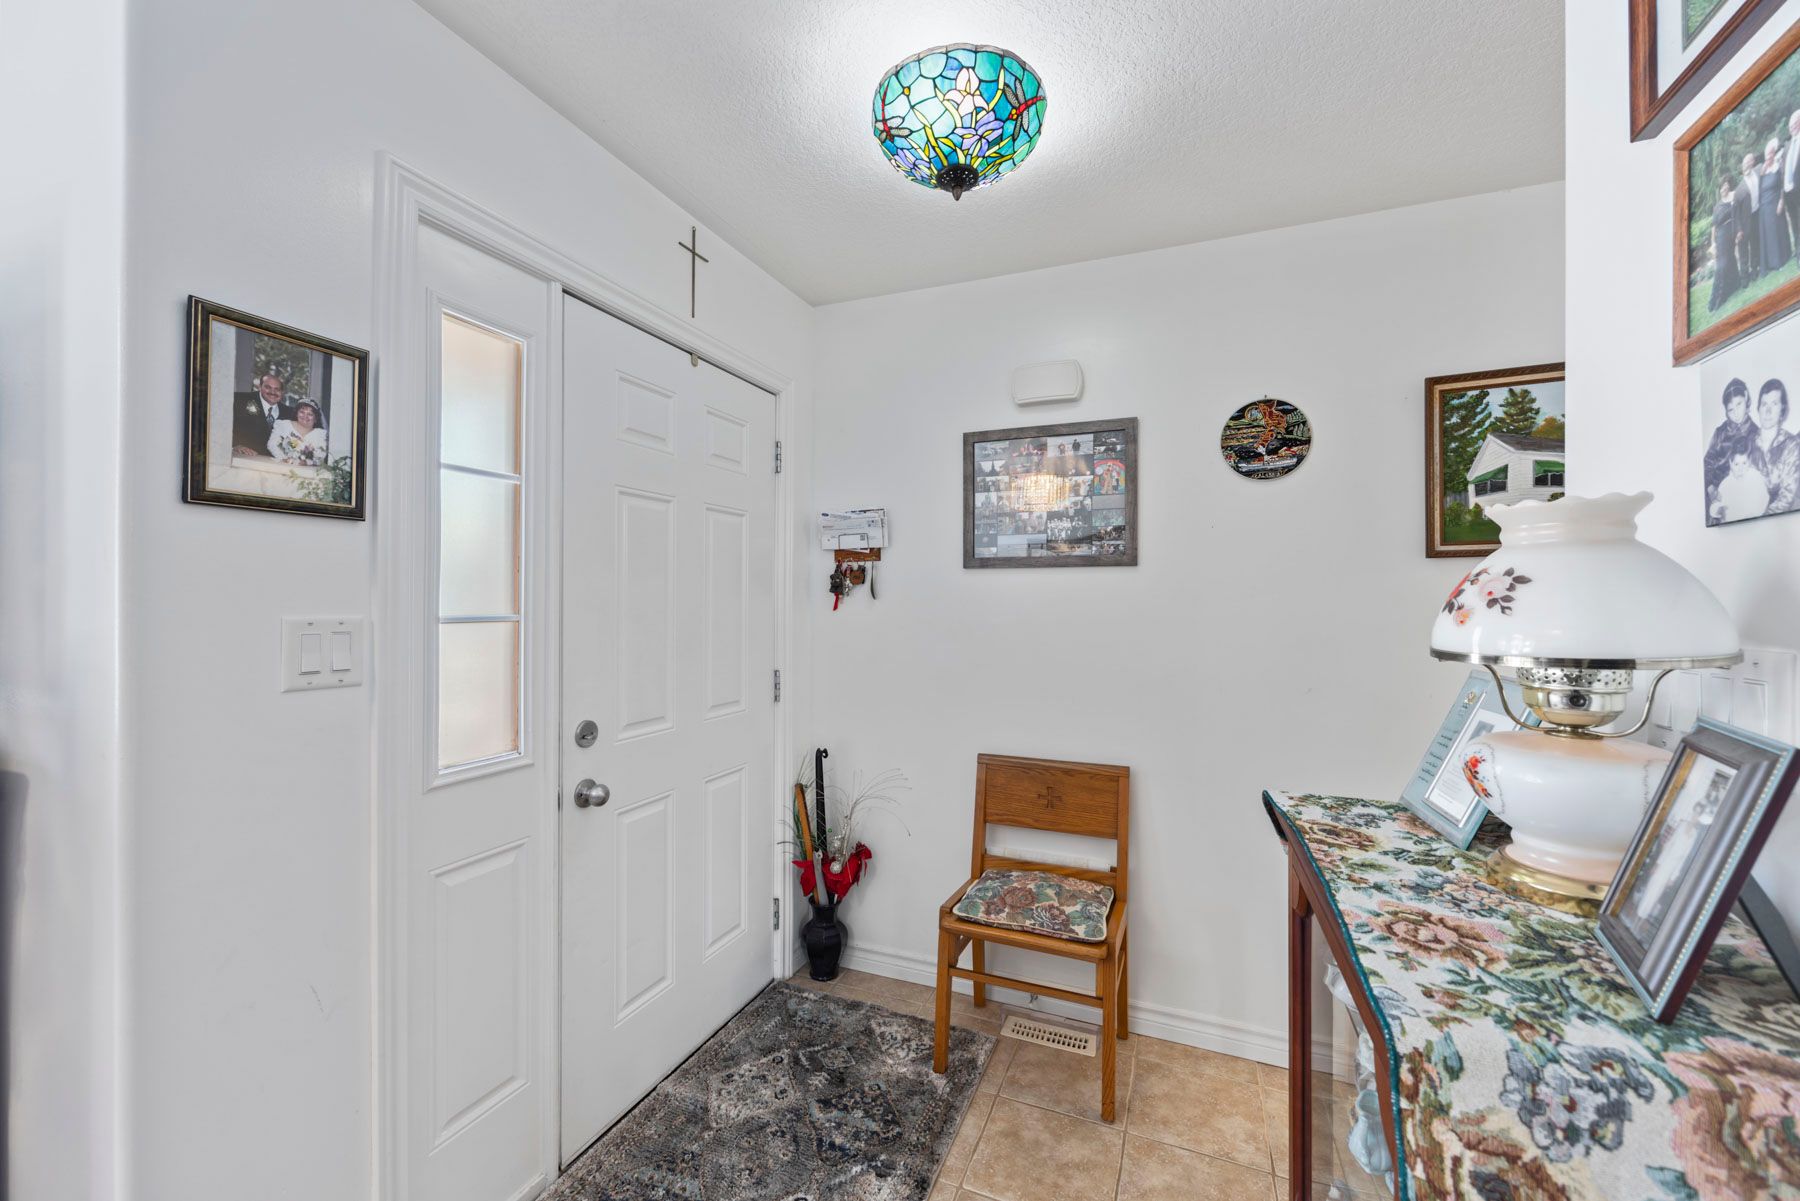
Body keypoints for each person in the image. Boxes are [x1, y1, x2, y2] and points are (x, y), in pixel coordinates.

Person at [1705, 377, 1757, 523]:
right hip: (1716, 493)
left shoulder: (1756, 434)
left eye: (1739, 404)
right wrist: (1710, 489)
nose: (1736, 413)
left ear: (1746, 397)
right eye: (1731, 410)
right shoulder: (1720, 433)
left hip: (1741, 493)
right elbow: (1706, 464)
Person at [1753, 377, 1798, 515]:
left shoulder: (1791, 445)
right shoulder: (1747, 443)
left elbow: (1786, 498)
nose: (1768, 411)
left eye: (1774, 404)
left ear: (1782, 410)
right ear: (1758, 409)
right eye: (1764, 404)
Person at [233, 372, 289, 456]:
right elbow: (222, 425)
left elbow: (294, 439)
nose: (272, 392)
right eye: (268, 387)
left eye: (277, 389)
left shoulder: (289, 412)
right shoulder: (240, 400)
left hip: (275, 462)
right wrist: (235, 445)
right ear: (260, 387)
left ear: (282, 392)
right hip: (244, 458)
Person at [1758, 137, 1792, 274]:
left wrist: (1781, 201)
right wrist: (1762, 171)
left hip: (1776, 203)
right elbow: (1759, 189)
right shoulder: (1762, 170)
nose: (1769, 156)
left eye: (1771, 153)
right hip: (1765, 207)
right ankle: (1774, 262)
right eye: (1767, 154)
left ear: (1774, 154)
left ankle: (1785, 256)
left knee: (1780, 230)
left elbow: (1781, 186)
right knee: (1770, 235)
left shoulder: (1778, 167)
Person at [268, 398, 329, 466]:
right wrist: (285, 459)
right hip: (281, 465)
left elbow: (320, 457)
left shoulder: (320, 434)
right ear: (296, 413)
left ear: (315, 418)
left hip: (306, 470)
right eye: (302, 412)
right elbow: (272, 444)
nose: (305, 416)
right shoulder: (284, 425)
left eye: (310, 414)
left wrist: (307, 462)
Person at [1710, 177, 1741, 310]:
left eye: (1726, 186)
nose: (1725, 188)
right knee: (1721, 266)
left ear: (1728, 188)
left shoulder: (1733, 200)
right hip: (1721, 237)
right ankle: (1718, 298)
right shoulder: (1717, 207)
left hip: (1731, 235)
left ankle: (1735, 285)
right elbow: (1713, 227)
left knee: (1731, 260)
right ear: (1720, 190)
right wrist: (1713, 243)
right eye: (1722, 187)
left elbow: (1737, 216)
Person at [1735, 153, 1762, 281]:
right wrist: (1739, 229)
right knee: (1744, 249)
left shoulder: (1757, 173)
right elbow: (1736, 213)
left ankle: (1755, 270)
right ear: (1742, 167)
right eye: (1745, 164)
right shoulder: (1739, 189)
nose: (1747, 165)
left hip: (1757, 215)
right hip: (1745, 222)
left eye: (1749, 162)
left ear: (1752, 164)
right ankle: (1744, 276)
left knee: (1755, 244)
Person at [1784, 111, 1800, 264]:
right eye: (1791, 126)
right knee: (1795, 224)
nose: (1793, 127)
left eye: (1795, 123)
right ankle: (1799, 255)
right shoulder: (1788, 145)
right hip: (1788, 192)